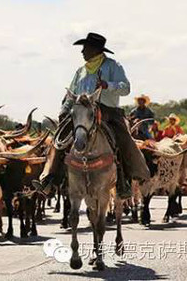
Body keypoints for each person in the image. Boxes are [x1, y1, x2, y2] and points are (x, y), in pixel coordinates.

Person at [39, 32, 150, 199]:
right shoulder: (80, 71)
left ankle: (127, 180)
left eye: (85, 48)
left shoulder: (113, 66)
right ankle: (49, 179)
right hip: (81, 112)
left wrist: (108, 85)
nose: (82, 51)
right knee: (59, 140)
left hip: (107, 112)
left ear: (95, 49)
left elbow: (125, 88)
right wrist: (64, 109)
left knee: (123, 140)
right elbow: (71, 94)